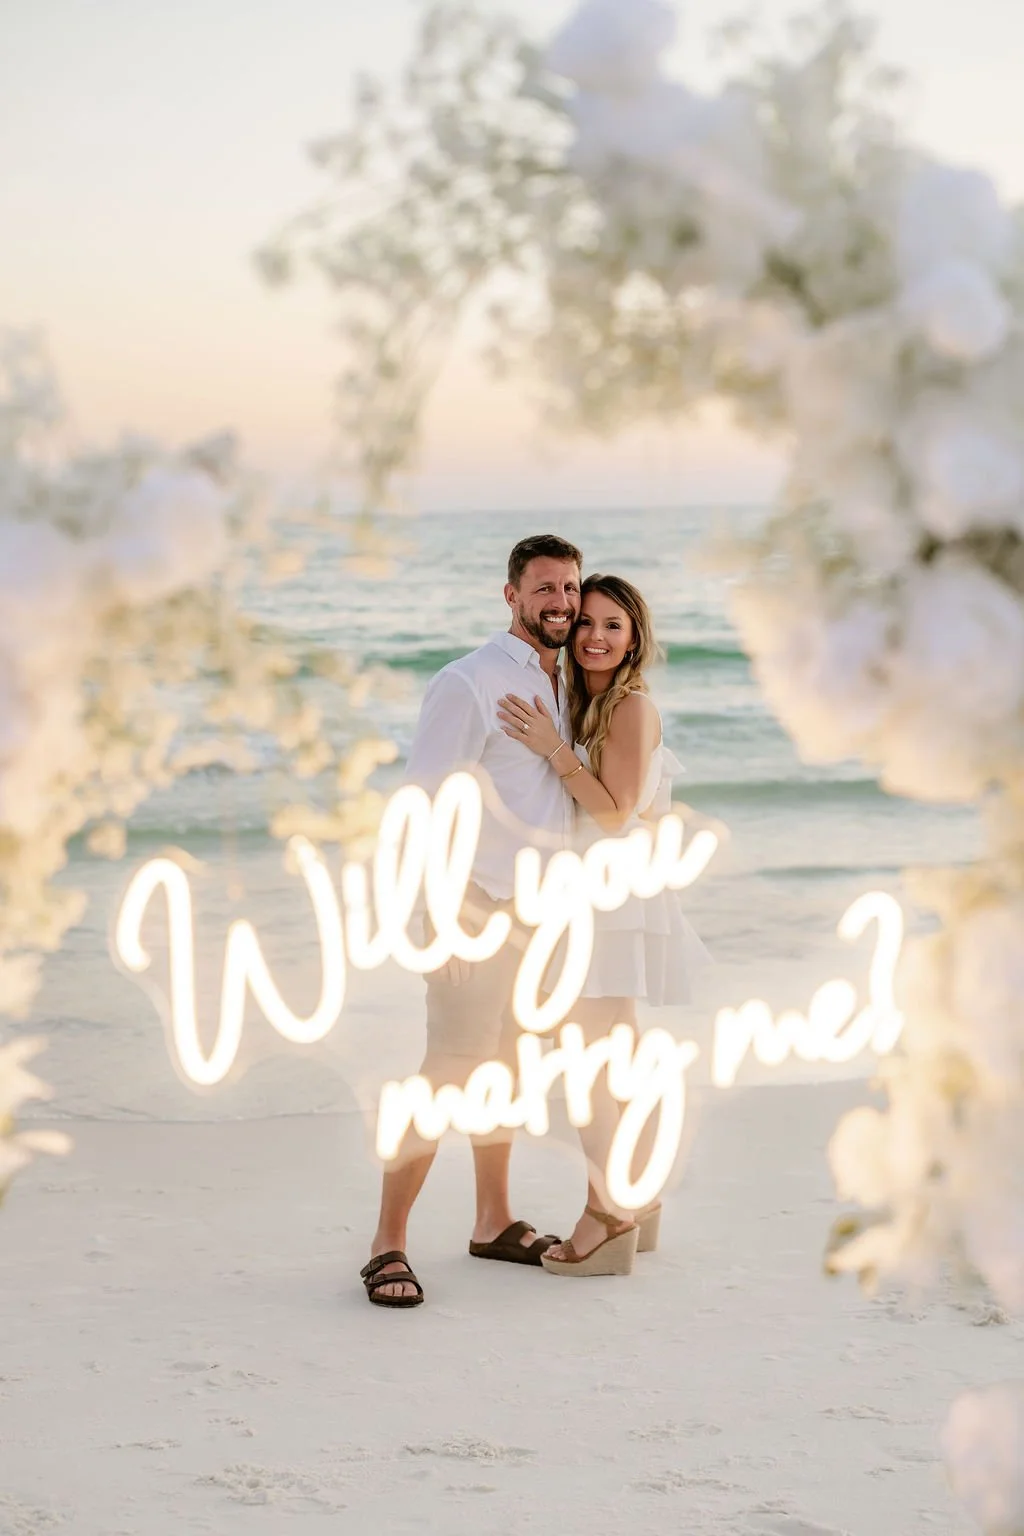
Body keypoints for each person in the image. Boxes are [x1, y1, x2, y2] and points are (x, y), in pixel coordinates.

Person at [361, 533, 583, 1309]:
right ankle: (388, 1242)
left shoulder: (572, 682)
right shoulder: (470, 682)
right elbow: (424, 801)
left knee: (508, 1072)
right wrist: (440, 913)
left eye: (570, 589)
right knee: (449, 1071)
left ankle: (494, 1220)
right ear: (511, 595)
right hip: (476, 907)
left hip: (539, 912)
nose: (560, 602)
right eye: (545, 589)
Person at [497, 573, 710, 1278]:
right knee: (611, 1066)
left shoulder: (631, 709)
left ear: (635, 636)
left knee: (594, 1069)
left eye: (612, 625)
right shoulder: (596, 707)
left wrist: (550, 751)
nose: (594, 635)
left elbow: (615, 813)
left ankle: (606, 1211)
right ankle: (633, 1201)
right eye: (586, 621)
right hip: (602, 897)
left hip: (609, 905)